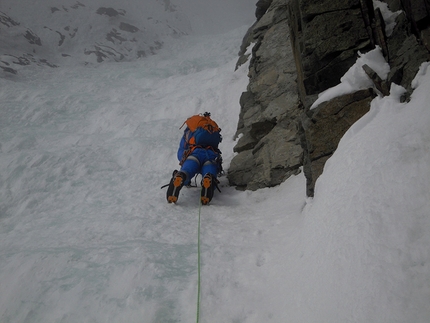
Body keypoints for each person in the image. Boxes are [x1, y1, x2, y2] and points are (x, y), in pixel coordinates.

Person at [166, 112, 222, 205]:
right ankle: (208, 179)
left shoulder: (189, 131)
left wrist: (183, 161)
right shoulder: (211, 128)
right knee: (209, 172)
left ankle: (181, 176)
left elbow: (182, 149)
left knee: (187, 170)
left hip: (194, 154)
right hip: (210, 155)